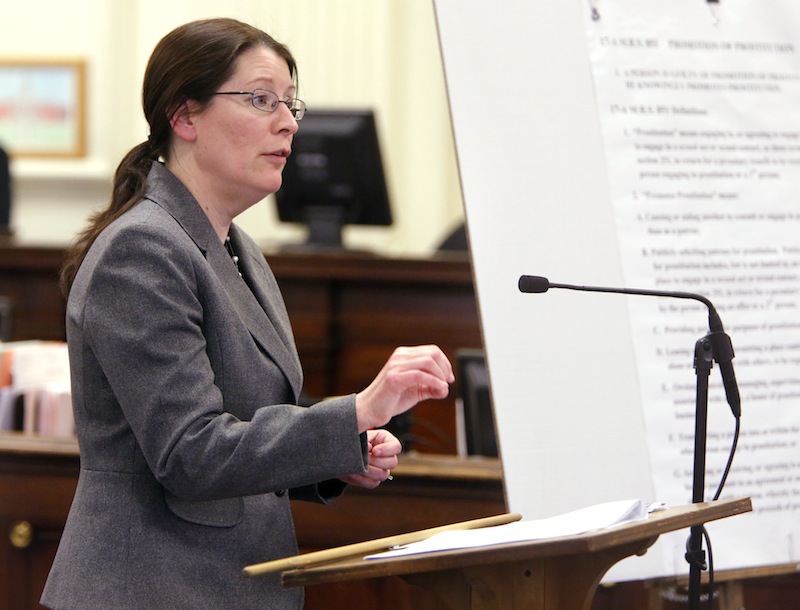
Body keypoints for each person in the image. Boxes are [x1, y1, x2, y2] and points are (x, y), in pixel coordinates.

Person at [41, 17, 454, 610]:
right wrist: (358, 409)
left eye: (290, 103)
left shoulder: (239, 248)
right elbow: (191, 453)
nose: (286, 121)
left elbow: (248, 419)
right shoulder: (142, 250)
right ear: (184, 117)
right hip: (151, 589)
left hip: (229, 586)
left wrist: (342, 450)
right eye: (261, 100)